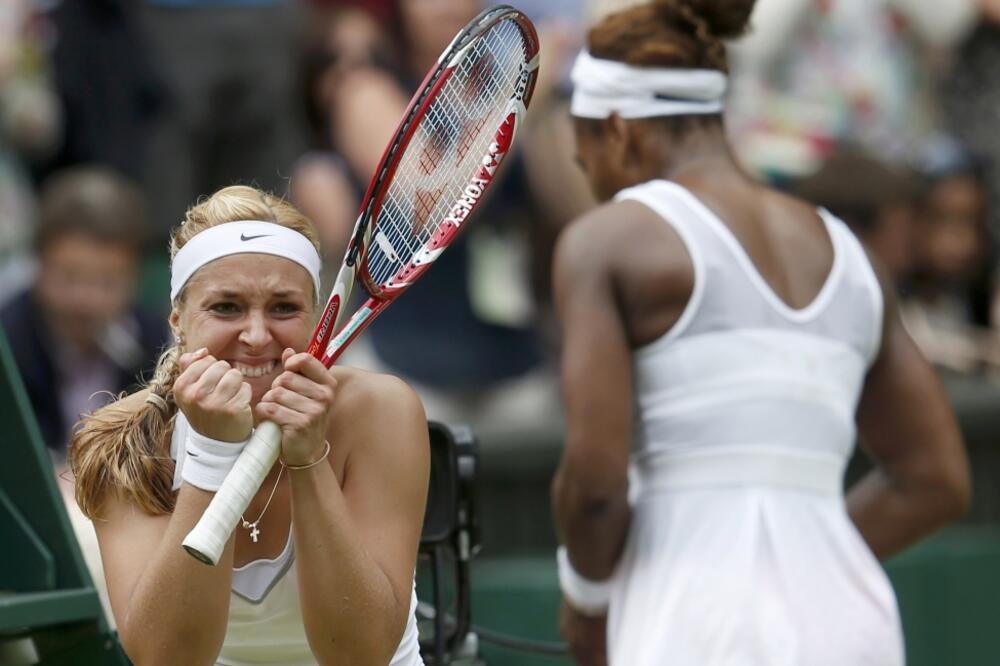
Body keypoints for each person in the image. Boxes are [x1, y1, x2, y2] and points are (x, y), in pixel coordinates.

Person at [549, 2, 972, 665]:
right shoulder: (851, 254)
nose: (595, 185)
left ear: (620, 130)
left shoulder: (605, 243)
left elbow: (595, 489)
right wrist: (801, 554)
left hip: (695, 628)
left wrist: (587, 606)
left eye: (587, 161)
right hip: (852, 631)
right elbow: (936, 478)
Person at [69, 185, 429, 665]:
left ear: (317, 317)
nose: (257, 337)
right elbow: (166, 659)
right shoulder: (117, 437)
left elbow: (361, 656)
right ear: (178, 319)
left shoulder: (383, 411)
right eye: (226, 307)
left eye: (284, 308)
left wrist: (310, 461)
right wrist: (210, 454)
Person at [0, 165, 168, 454]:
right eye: (69, 277)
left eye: (107, 283)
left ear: (135, 278)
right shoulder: (9, 343)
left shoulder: (155, 343)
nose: (84, 300)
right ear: (38, 265)